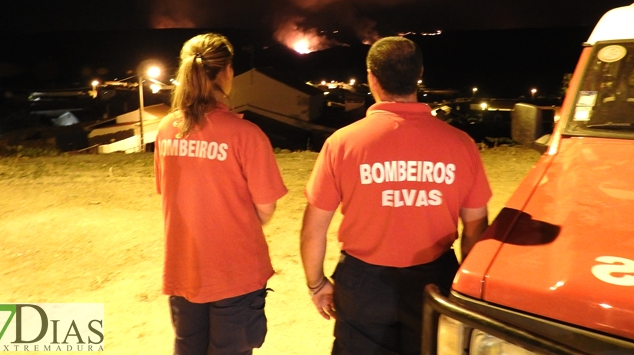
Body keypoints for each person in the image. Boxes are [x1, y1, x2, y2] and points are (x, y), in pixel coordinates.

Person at [300, 36, 492, 355]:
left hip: (363, 284)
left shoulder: (342, 143)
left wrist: (317, 284)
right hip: (434, 280)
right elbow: (475, 228)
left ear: (371, 78)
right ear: (419, 74)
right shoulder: (461, 144)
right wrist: (467, 293)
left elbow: (312, 230)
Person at [154, 33, 288, 355]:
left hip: (185, 266)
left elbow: (168, 193)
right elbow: (265, 208)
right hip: (235, 271)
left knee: (188, 348)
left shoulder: (167, 129)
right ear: (227, 71)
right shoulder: (247, 134)